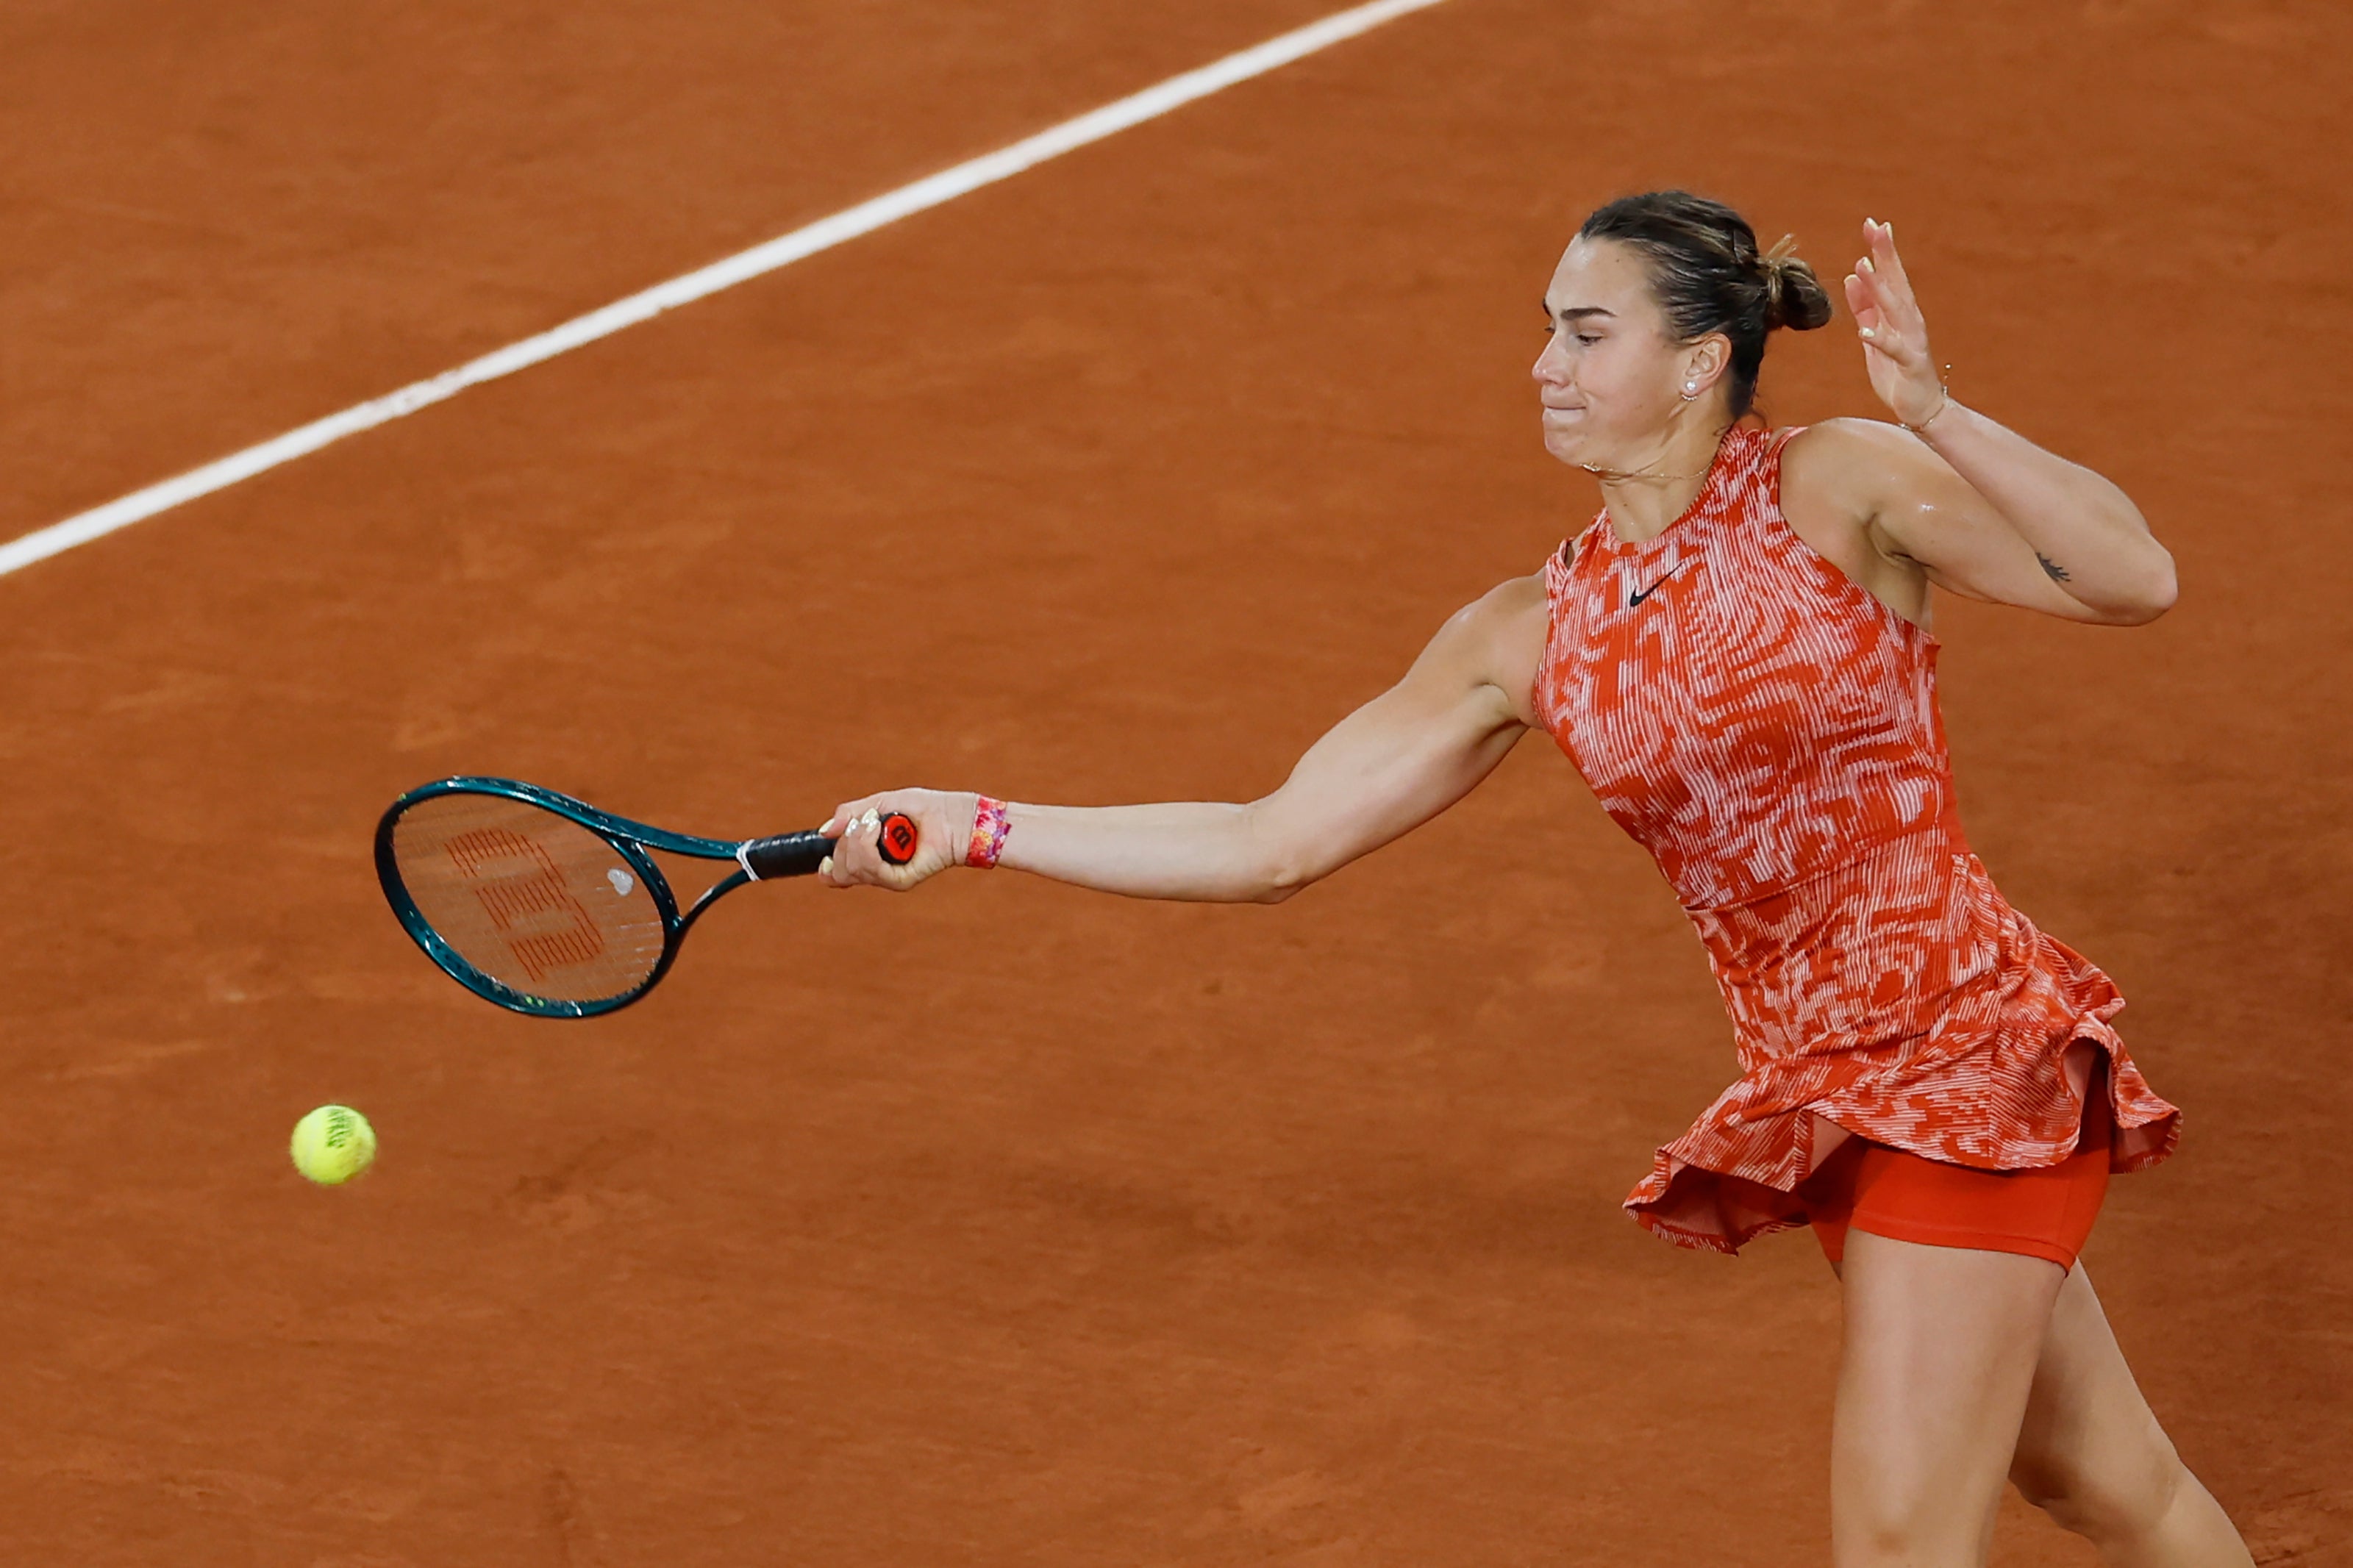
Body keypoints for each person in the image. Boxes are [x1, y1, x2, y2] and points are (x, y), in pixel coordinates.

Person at [813, 191, 2254, 1567]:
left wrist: (1934, 410)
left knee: (1895, 1541)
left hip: (1961, 1066)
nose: (1541, 365)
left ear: (1698, 359)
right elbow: (1272, 838)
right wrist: (976, 820)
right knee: (2099, 1476)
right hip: (1827, 1092)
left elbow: (2135, 578)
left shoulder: (1838, 487)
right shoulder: (1529, 632)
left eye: (1584, 332)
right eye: (1546, 329)